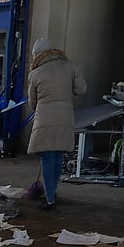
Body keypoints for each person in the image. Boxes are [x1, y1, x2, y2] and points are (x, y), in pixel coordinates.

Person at [26, 37, 86, 210]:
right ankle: (53, 191)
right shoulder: (70, 66)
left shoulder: (35, 73)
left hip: (44, 118)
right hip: (65, 117)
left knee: (47, 158)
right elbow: (81, 89)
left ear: (37, 55)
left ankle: (50, 197)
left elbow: (33, 102)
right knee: (58, 156)